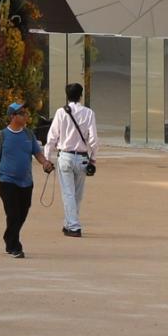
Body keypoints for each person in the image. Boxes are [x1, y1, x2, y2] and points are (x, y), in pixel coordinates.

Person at [0, 100, 46, 258]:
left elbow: (37, 153)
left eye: (26, 113)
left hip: (26, 182)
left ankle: (9, 237)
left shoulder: (29, 134)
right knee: (13, 213)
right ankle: (15, 246)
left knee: (23, 212)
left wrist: (45, 163)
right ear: (12, 116)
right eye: (22, 113)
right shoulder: (1, 136)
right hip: (7, 181)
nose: (25, 116)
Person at [44, 81, 97, 237]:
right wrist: (93, 159)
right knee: (77, 194)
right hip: (82, 158)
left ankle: (73, 226)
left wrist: (47, 158)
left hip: (65, 156)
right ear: (80, 96)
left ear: (67, 96)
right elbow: (94, 140)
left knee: (68, 193)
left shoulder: (61, 112)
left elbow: (52, 137)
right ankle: (69, 223)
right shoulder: (89, 113)